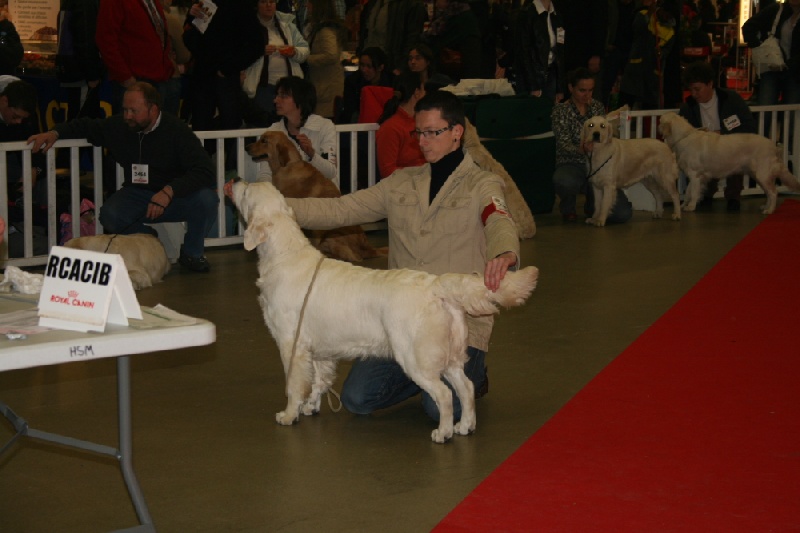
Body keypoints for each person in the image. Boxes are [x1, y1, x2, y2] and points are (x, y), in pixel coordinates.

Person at [237, 90, 520, 421]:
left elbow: (498, 218)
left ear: (457, 131)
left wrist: (505, 252)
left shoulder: (483, 183)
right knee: (358, 399)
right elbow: (340, 208)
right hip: (396, 316)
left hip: (455, 319)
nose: (424, 141)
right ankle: (419, 370)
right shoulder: (401, 182)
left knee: (437, 409)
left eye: (433, 132)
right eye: (419, 132)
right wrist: (274, 206)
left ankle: (464, 372)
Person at [27, 82, 218, 272]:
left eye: (134, 111)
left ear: (153, 109)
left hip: (174, 197)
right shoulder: (120, 125)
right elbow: (84, 126)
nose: (127, 116)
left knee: (207, 198)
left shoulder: (177, 130)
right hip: (138, 194)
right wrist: (54, 133)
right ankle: (152, 245)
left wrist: (169, 191)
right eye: (125, 110)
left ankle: (193, 254)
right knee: (110, 214)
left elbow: (205, 169)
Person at [184, 0, 264, 168]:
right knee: (201, 131)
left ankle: (229, 175)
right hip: (203, 78)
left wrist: (229, 68)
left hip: (225, 81)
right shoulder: (205, 3)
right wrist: (191, 18)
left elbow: (257, 44)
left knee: (230, 130)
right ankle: (201, 175)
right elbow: (190, 38)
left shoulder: (239, 6)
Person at [552, 67, 632, 223]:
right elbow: (563, 144)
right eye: (582, 90)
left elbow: (605, 138)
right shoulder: (560, 111)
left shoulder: (597, 107)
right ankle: (568, 208)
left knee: (622, 214)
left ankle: (593, 206)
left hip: (600, 165)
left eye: (590, 90)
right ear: (571, 88)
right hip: (572, 163)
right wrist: (581, 149)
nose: (587, 95)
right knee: (565, 180)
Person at [679, 61, 757, 212]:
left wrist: (722, 135)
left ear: (710, 84)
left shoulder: (731, 98)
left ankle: (733, 197)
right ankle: (705, 195)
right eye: (691, 90)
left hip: (731, 147)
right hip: (704, 153)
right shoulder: (688, 107)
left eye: (697, 89)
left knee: (734, 155)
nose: (694, 94)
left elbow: (749, 126)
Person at [96, 0, 178, 114]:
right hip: (135, 82)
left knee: (164, 129)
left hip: (161, 79)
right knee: (132, 129)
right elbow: (105, 40)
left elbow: (159, 33)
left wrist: (169, 65)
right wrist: (124, 77)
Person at [258, 76, 338, 181]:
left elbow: (331, 172)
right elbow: (265, 174)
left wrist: (311, 154)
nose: (276, 100)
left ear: (300, 99)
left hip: (322, 194)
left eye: (283, 96)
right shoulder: (273, 131)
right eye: (277, 95)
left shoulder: (325, 126)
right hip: (288, 194)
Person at [245, 0, 309, 120]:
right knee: (264, 125)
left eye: (272, 1)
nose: (269, 5)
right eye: (264, 2)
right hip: (262, 88)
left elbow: (305, 50)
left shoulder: (287, 24)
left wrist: (294, 52)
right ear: (257, 5)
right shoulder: (248, 26)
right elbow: (239, 52)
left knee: (290, 124)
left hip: (289, 88)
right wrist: (259, 51)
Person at [619, 0, 676, 109]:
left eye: (668, 15)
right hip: (636, 69)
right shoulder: (643, 15)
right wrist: (649, 13)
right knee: (625, 105)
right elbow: (637, 29)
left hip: (652, 74)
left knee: (649, 107)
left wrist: (661, 53)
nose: (665, 16)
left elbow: (667, 50)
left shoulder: (670, 32)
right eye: (664, 12)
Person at [743, 0, 800, 108]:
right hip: (771, 67)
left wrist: (791, 64)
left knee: (792, 113)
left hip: (795, 72)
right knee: (766, 109)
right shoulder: (777, 9)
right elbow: (748, 27)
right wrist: (758, 45)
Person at [376, 70, 426, 178]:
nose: (426, 94)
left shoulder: (423, 122)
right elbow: (387, 172)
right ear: (417, 93)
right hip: (403, 188)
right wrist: (421, 173)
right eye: (424, 90)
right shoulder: (390, 128)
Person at [513, 0, 566, 103]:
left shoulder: (557, 15)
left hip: (551, 75)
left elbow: (560, 52)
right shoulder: (526, 14)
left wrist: (560, 87)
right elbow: (523, 52)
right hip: (532, 75)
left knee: (548, 114)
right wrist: (533, 85)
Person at [357, 0, 427, 74]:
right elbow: (364, 34)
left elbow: (413, 39)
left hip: (392, 65)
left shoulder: (412, 4)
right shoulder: (371, 4)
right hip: (370, 63)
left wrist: (401, 66)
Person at [304, 0, 346, 119]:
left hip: (326, 91)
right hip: (324, 88)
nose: (307, 6)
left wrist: (306, 59)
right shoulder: (324, 28)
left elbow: (331, 55)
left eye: (310, 3)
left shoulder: (325, 31)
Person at [421, 0, 482, 81]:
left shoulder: (461, 19)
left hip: (457, 75)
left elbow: (441, 42)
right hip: (448, 72)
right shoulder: (447, 15)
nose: (436, 2)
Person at [337, 46, 391, 124]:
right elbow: (350, 111)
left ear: (380, 67)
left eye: (369, 66)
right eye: (362, 65)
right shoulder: (352, 82)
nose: (364, 70)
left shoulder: (392, 81)